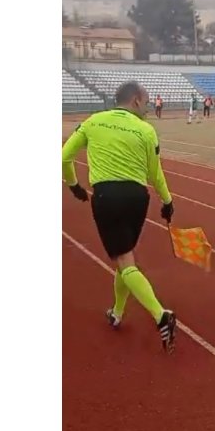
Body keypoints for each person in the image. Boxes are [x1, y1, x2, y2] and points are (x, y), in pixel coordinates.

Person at [63, 81, 179, 353]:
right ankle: (117, 312)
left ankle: (160, 314)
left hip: (107, 196)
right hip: (138, 198)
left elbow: (64, 157)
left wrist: (74, 185)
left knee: (125, 261)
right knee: (125, 257)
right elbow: (155, 173)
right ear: (136, 100)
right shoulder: (146, 130)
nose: (149, 108)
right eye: (147, 101)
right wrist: (167, 200)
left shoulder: (93, 122)